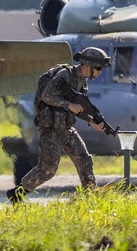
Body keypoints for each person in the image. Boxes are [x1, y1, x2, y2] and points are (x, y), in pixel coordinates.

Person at [7, 47, 111, 202]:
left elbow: (79, 107)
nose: (99, 72)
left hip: (66, 128)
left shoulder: (82, 82)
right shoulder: (65, 75)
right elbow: (46, 95)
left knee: (84, 159)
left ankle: (90, 194)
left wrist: (92, 121)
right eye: (98, 69)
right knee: (47, 169)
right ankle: (18, 192)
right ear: (88, 65)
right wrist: (69, 105)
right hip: (51, 129)